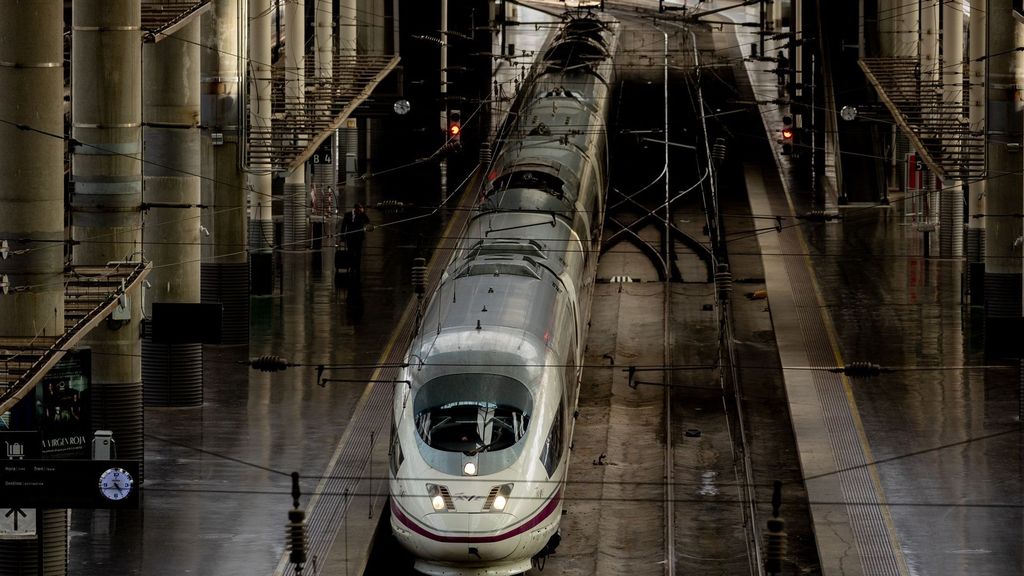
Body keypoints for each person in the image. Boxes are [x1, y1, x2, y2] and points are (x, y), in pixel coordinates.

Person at [341, 203, 371, 273]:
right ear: (355, 209)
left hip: (359, 237)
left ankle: (357, 267)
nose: (359, 211)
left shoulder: (361, 215)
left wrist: (363, 213)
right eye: (359, 209)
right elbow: (343, 226)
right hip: (350, 237)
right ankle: (351, 266)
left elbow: (367, 221)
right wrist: (342, 237)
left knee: (358, 253)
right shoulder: (347, 215)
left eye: (361, 209)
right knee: (350, 252)